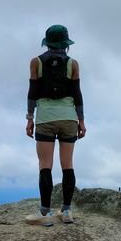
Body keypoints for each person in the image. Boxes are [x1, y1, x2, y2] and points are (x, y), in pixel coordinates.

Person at [25, 24, 86, 226]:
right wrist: (82, 121)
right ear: (65, 44)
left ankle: (46, 214)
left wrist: (29, 118)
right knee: (68, 165)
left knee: (45, 166)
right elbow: (77, 95)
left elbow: (32, 93)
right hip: (69, 119)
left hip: (45, 118)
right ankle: (67, 211)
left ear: (48, 42)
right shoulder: (73, 64)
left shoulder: (36, 63)